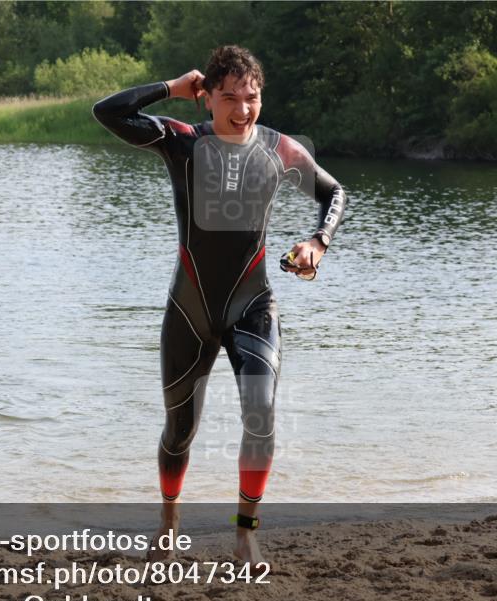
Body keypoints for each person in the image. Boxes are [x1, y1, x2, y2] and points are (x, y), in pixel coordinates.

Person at [92, 46, 346, 562]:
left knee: (261, 411)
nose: (242, 109)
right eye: (228, 97)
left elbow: (334, 193)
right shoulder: (183, 142)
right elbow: (109, 112)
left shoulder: (282, 151)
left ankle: (245, 531)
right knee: (179, 430)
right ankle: (169, 518)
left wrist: (318, 241)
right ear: (206, 98)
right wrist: (171, 87)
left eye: (251, 98)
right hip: (189, 307)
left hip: (253, 304)